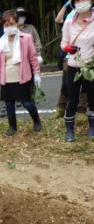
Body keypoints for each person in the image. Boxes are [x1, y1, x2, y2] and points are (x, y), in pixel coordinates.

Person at [0, 9, 42, 136]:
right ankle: (12, 127)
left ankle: (36, 120)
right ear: (3, 26)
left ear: (17, 23)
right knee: (9, 104)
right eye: (6, 24)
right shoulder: (0, 42)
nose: (9, 27)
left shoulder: (26, 38)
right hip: (6, 78)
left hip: (22, 77)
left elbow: (33, 57)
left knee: (26, 102)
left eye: (12, 23)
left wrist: (36, 74)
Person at [61, 0, 94, 142]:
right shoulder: (69, 22)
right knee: (73, 98)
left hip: (91, 66)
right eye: (77, 0)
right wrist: (67, 48)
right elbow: (64, 42)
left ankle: (92, 127)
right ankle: (69, 130)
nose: (80, 2)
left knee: (92, 98)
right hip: (74, 65)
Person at [51, 0, 88, 120]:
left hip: (88, 55)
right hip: (69, 56)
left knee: (85, 83)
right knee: (67, 83)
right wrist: (66, 5)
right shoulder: (71, 14)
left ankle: (82, 109)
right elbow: (58, 20)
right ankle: (61, 109)